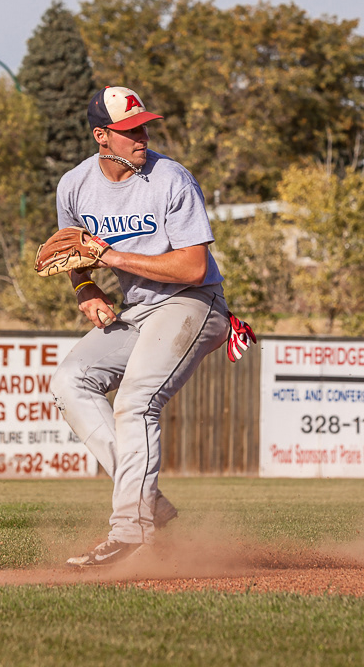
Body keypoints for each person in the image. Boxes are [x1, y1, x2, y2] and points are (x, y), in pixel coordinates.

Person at [51, 86, 234, 567]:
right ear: (101, 137)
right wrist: (85, 289)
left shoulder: (170, 179)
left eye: (144, 126)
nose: (141, 137)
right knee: (69, 381)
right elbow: (73, 250)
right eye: (129, 130)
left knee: (135, 403)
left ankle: (130, 528)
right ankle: (147, 502)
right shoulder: (74, 186)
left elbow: (195, 266)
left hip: (195, 303)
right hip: (139, 309)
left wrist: (110, 256)